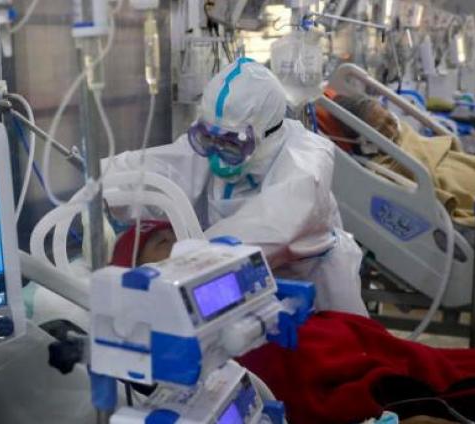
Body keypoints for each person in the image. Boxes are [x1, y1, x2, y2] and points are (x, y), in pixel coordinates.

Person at [112, 221, 475, 424]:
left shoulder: (221, 281)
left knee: (446, 367)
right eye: (161, 245)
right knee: (449, 379)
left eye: (174, 237)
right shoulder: (164, 339)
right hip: (310, 365)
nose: (179, 248)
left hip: (337, 342)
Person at [103, 58, 367, 316]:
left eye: (232, 145)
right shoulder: (217, 136)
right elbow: (162, 168)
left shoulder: (305, 161)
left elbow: (272, 226)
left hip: (315, 295)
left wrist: (180, 259)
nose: (216, 156)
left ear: (266, 135)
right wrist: (98, 185)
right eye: (207, 139)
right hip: (243, 289)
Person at [327, 93, 475, 228]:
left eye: (390, 120)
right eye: (382, 128)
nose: (392, 129)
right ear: (366, 143)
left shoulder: (407, 136)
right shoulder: (385, 170)